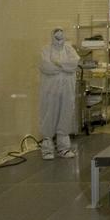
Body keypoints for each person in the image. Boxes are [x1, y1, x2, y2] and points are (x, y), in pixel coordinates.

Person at [37, 28, 81, 160]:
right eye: (56, 37)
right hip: (50, 90)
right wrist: (63, 66)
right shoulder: (45, 50)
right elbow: (46, 67)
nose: (59, 39)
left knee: (65, 114)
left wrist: (58, 64)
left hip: (67, 89)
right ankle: (47, 149)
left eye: (61, 36)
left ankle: (64, 148)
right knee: (49, 114)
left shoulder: (69, 50)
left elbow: (74, 64)